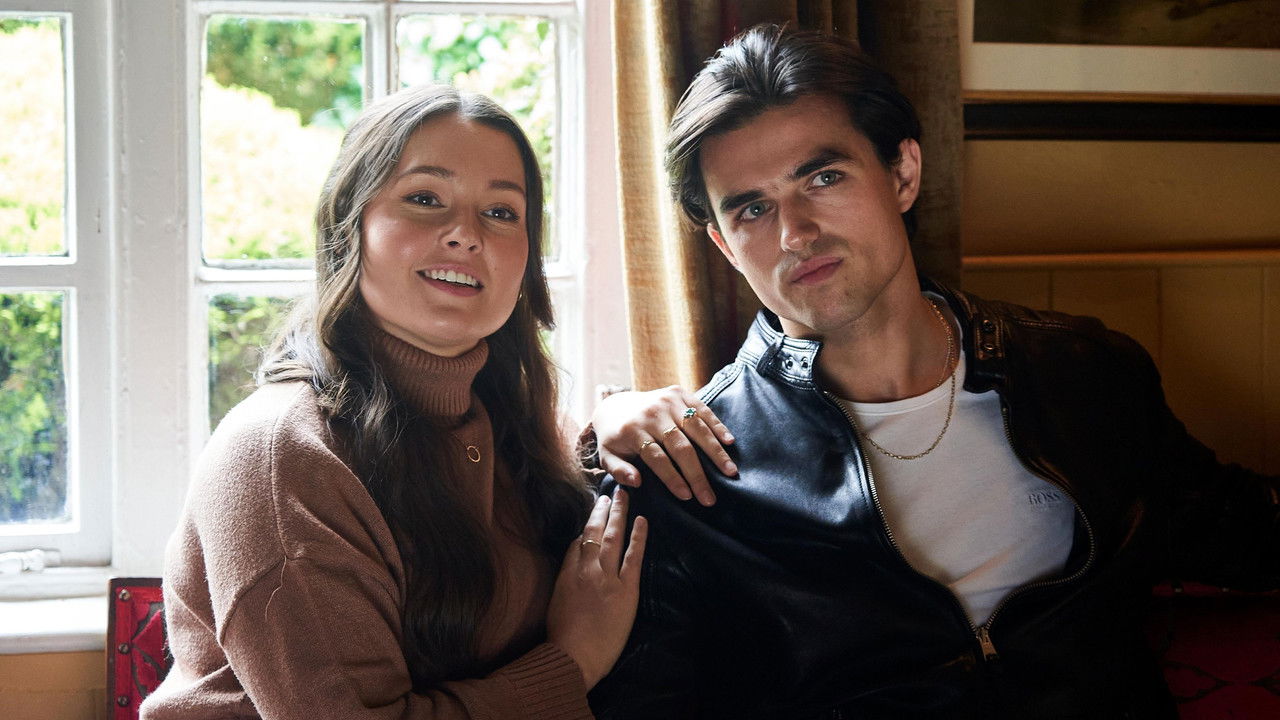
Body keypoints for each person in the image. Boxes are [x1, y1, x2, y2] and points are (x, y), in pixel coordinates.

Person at [586, 25, 1280, 718]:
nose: (795, 233)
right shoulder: (690, 470)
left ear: (903, 174)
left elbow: (1245, 533)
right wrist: (596, 434)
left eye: (823, 178)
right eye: (753, 209)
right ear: (724, 245)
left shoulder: (1083, 374)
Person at [141, 85, 648, 720]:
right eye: (425, 199)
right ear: (348, 225)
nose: (465, 235)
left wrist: (618, 419)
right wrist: (574, 662)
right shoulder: (280, 455)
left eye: (501, 212)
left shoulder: (506, 415)